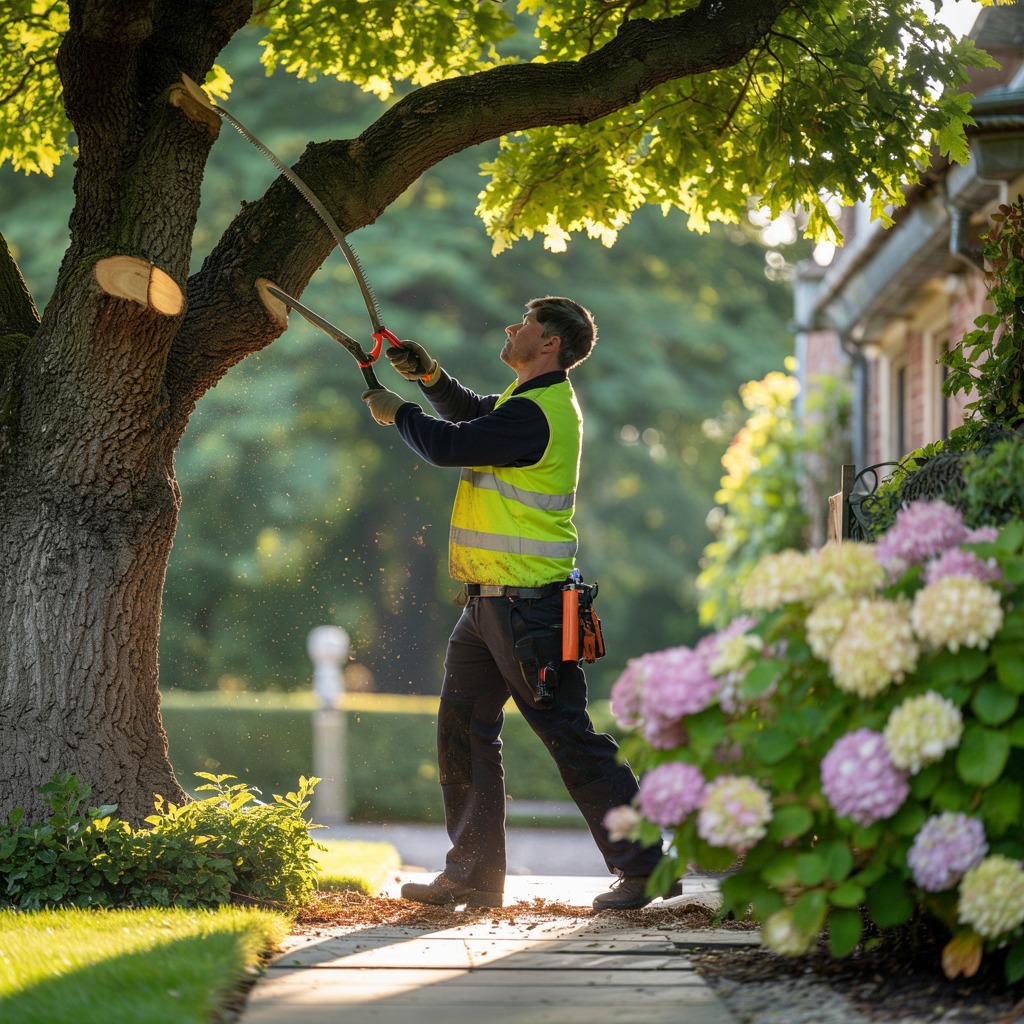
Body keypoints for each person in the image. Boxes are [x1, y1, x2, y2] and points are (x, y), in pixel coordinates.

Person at [361, 296, 674, 911]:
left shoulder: (539, 415)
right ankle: (473, 875)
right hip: (488, 606)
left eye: (524, 324)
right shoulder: (524, 404)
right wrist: (431, 379)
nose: (511, 328)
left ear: (550, 343)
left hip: (527, 609)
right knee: (463, 732)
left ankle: (645, 869)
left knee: (569, 735)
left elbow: (451, 445)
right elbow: (476, 416)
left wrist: (400, 413)